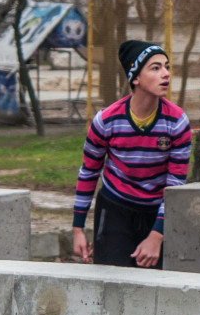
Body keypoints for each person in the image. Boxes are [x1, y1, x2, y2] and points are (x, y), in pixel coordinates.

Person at [72, 39, 193, 268]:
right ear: (135, 77)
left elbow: (175, 185)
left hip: (157, 213)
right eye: (155, 68)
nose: (165, 74)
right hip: (115, 208)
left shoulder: (177, 122)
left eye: (166, 66)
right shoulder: (106, 121)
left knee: (157, 292)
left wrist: (157, 236)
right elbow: (88, 173)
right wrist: (78, 229)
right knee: (111, 287)